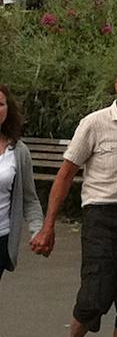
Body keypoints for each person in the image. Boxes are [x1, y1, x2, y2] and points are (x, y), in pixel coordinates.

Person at [32, 60, 117, 337]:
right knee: (96, 293)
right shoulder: (94, 124)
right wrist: (48, 226)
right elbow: (66, 174)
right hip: (102, 216)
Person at [0, 84, 45, 282]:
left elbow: (29, 198)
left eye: (0, 104)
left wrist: (37, 230)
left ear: (7, 109)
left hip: (2, 238)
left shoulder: (18, 151)